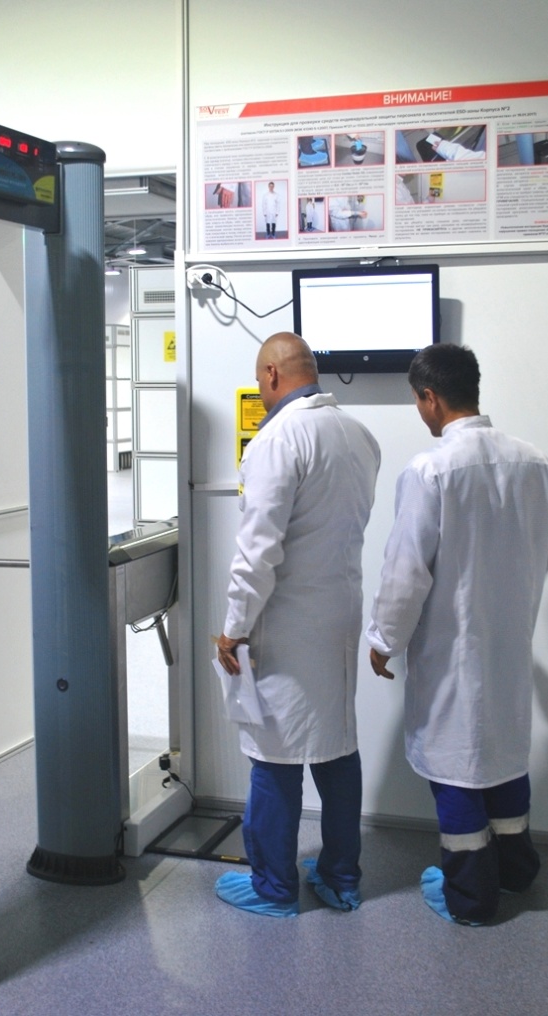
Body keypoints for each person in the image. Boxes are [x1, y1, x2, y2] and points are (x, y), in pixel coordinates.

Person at [366, 344, 548, 926]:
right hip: (509, 641)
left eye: (416, 400)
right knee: (502, 756)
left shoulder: (430, 471)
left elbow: (406, 572)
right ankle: (516, 871)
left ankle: (472, 897)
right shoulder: (535, 463)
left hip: (453, 650)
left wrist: (383, 640)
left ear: (430, 397)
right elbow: (544, 550)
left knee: (457, 768)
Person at [216, 332, 381, 917]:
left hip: (284, 625)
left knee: (274, 754)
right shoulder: (359, 435)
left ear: (271, 374)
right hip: (339, 616)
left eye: (259, 381)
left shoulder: (278, 439)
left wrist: (233, 628)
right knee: (336, 747)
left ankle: (274, 888)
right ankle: (340, 877)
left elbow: (257, 555)